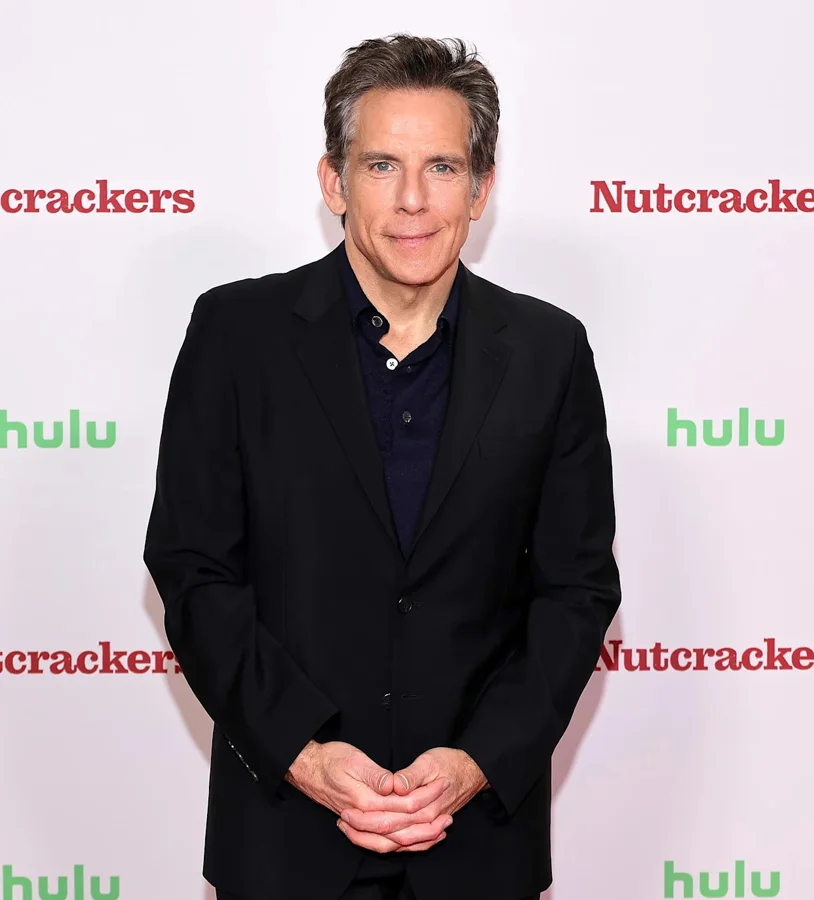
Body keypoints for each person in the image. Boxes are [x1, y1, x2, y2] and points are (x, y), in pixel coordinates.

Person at [143, 33, 621, 900]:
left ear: (480, 188)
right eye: (380, 166)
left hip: (478, 843)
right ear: (334, 182)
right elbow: (194, 568)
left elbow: (577, 589)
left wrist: (479, 760)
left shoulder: (550, 352)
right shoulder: (236, 335)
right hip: (285, 840)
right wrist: (303, 753)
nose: (412, 199)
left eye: (442, 166)